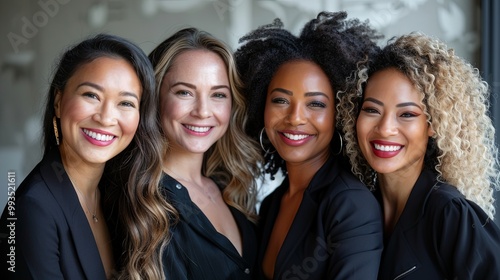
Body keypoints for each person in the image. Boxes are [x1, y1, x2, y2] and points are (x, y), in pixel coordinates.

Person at [0, 33, 169, 280]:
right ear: (58, 102)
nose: (106, 117)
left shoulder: (118, 196)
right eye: (91, 95)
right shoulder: (32, 210)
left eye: (126, 103)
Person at [235, 11, 384, 279]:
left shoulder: (351, 204)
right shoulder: (273, 203)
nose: (294, 118)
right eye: (280, 100)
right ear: (261, 107)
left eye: (316, 104)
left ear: (340, 114)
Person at [339, 32, 500, 279]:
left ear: (432, 124)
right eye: (372, 110)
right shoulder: (356, 207)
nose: (385, 129)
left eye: (407, 114)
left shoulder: (449, 213)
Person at [144, 27, 262, 279]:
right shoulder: (142, 198)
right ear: (155, 97)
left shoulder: (230, 187)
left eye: (218, 94)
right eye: (184, 92)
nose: (203, 111)